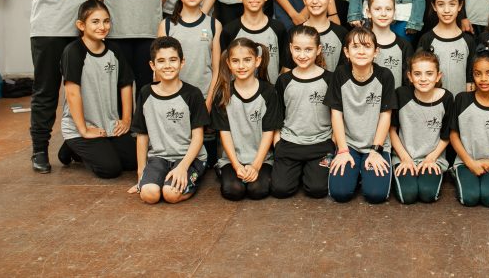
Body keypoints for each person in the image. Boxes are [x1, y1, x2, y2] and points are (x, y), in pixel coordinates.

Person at [28, 0, 109, 173]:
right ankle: (39, 149)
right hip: (48, 28)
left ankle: (74, 141)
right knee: (47, 91)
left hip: (82, 31)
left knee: (83, 90)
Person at [56, 0, 136, 179]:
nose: (102, 26)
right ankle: (72, 143)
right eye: (95, 21)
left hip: (108, 122)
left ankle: (85, 145)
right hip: (82, 125)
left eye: (106, 21)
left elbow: (126, 84)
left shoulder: (114, 50)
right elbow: (72, 92)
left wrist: (126, 119)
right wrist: (83, 130)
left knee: (133, 161)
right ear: (81, 25)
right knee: (110, 169)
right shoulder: (73, 51)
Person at [128, 37, 209, 204]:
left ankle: (190, 181)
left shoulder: (193, 94)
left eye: (173, 60)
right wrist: (141, 173)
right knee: (149, 195)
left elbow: (198, 137)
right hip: (159, 157)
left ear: (182, 62)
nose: (167, 65)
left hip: (188, 158)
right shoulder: (145, 93)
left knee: (170, 194)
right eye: (161, 61)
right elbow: (142, 135)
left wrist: (183, 167)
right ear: (152, 65)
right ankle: (162, 179)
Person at [326, 27, 396, 203]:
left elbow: (385, 115)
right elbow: (336, 114)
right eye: (355, 46)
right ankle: (355, 171)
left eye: (367, 46)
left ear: (376, 52)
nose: (361, 51)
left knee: (376, 195)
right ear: (346, 52)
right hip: (348, 144)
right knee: (340, 194)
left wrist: (376, 150)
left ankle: (363, 171)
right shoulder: (340, 75)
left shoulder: (385, 76)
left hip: (375, 144)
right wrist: (342, 150)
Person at [211, 38, 281, 201]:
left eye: (247, 60)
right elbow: (225, 133)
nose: (241, 66)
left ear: (257, 61)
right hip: (232, 159)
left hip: (262, 159)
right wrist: (236, 165)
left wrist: (256, 165)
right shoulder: (223, 93)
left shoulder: (269, 92)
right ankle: (222, 170)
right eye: (235, 61)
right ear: (228, 63)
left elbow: (268, 132)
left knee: (258, 190)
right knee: (233, 191)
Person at [271, 26, 334, 199]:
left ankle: (310, 170)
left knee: (317, 190)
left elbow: (337, 115)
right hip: (290, 143)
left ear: (318, 50)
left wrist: (333, 141)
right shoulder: (284, 80)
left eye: (308, 49)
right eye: (297, 49)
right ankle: (295, 170)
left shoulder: (330, 79)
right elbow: (278, 115)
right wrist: (278, 144)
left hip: (321, 144)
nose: (302, 55)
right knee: (280, 190)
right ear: (291, 48)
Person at [449, 42, 489, 207]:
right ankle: (458, 173)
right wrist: (469, 162)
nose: (483, 79)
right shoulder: (462, 99)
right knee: (470, 198)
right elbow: (454, 134)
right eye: (478, 74)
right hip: (466, 162)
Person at [390, 50, 452, 204]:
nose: (423, 79)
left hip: (433, 158)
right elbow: (391, 130)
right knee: (408, 196)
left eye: (429, 74)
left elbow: (446, 135)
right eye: (417, 74)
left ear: (438, 76)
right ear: (410, 77)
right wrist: (404, 158)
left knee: (427, 195)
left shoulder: (447, 98)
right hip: (404, 156)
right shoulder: (401, 94)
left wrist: (431, 158)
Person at [158, 0, 221, 110]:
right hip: (172, 97)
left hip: (203, 97)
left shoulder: (214, 25)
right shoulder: (166, 26)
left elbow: (217, 69)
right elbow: (159, 68)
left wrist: (209, 101)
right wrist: (162, 98)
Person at [220, 0, 289, 84]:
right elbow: (224, 69)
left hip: (271, 97)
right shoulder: (229, 30)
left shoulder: (278, 28)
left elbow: (286, 67)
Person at [417, 0, 475, 97]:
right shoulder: (426, 39)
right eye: (441, 4)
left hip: (460, 105)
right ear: (434, 6)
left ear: (460, 6)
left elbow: (471, 77)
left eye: (452, 4)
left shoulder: (468, 41)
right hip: (433, 103)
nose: (446, 10)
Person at [300, 0, 347, 72]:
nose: (315, 1)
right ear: (304, 0)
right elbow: (287, 71)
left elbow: (344, 72)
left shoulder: (341, 33)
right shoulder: (295, 32)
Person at [366, 0, 413, 87]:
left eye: (388, 9)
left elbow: (408, 83)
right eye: (377, 9)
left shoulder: (404, 46)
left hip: (394, 101)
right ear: (368, 12)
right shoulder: (360, 43)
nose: (383, 13)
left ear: (394, 12)